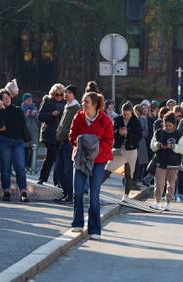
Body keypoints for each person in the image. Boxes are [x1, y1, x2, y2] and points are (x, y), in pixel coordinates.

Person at [69, 91, 113, 240]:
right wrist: (81, 143)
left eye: (86, 102)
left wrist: (96, 150)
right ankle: (78, 222)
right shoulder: (78, 117)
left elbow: (108, 142)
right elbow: (72, 136)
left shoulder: (105, 120)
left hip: (98, 161)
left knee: (94, 195)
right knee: (78, 192)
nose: (83, 104)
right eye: (83, 101)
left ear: (94, 104)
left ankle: (94, 229)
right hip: (80, 159)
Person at [0, 89, 30, 202]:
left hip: (17, 141)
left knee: (20, 167)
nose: (6, 99)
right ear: (0, 100)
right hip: (2, 141)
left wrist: (6, 127)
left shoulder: (18, 110)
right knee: (5, 168)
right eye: (3, 97)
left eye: (7, 96)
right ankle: (6, 191)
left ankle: (23, 192)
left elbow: (21, 125)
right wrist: (2, 112)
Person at [102, 102, 142, 200]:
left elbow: (139, 136)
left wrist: (127, 134)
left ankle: (126, 196)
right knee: (108, 168)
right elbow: (111, 133)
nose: (126, 116)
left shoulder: (135, 121)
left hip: (131, 150)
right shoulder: (117, 119)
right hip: (118, 149)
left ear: (131, 113)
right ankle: (94, 188)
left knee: (129, 173)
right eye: (124, 114)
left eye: (128, 114)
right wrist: (118, 132)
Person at [150, 112, 183, 211]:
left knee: (171, 184)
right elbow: (152, 145)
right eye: (166, 125)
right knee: (159, 183)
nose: (168, 127)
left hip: (173, 163)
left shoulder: (179, 134)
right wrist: (158, 145)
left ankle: (168, 202)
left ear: (174, 125)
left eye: (170, 125)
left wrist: (174, 147)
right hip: (160, 161)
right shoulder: (158, 132)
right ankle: (157, 202)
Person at [54, 85, 81, 203]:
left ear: (74, 94)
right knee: (59, 169)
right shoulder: (66, 107)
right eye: (65, 92)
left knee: (68, 170)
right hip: (62, 142)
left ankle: (71, 195)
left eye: (69, 92)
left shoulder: (76, 107)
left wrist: (66, 134)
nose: (66, 94)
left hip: (69, 143)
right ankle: (65, 192)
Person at [37, 83, 66, 185]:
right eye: (56, 95)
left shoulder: (66, 103)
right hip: (49, 133)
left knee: (58, 158)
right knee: (51, 156)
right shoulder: (48, 101)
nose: (59, 97)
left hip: (61, 134)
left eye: (61, 95)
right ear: (53, 94)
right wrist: (51, 114)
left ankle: (57, 181)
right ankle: (42, 178)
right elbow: (40, 116)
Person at [21, 93, 39, 170]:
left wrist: (35, 115)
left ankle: (31, 164)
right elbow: (20, 120)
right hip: (25, 131)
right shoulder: (21, 108)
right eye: (28, 99)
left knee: (33, 148)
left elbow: (39, 120)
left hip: (34, 131)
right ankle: (24, 164)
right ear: (24, 100)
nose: (30, 101)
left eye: (30, 99)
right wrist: (25, 115)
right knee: (25, 148)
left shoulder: (34, 108)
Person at [133, 104, 149, 187]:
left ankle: (137, 178)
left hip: (141, 142)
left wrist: (139, 133)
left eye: (139, 112)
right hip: (132, 142)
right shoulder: (131, 118)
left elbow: (146, 132)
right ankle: (132, 179)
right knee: (133, 161)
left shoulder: (144, 119)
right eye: (136, 111)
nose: (137, 113)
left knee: (140, 162)